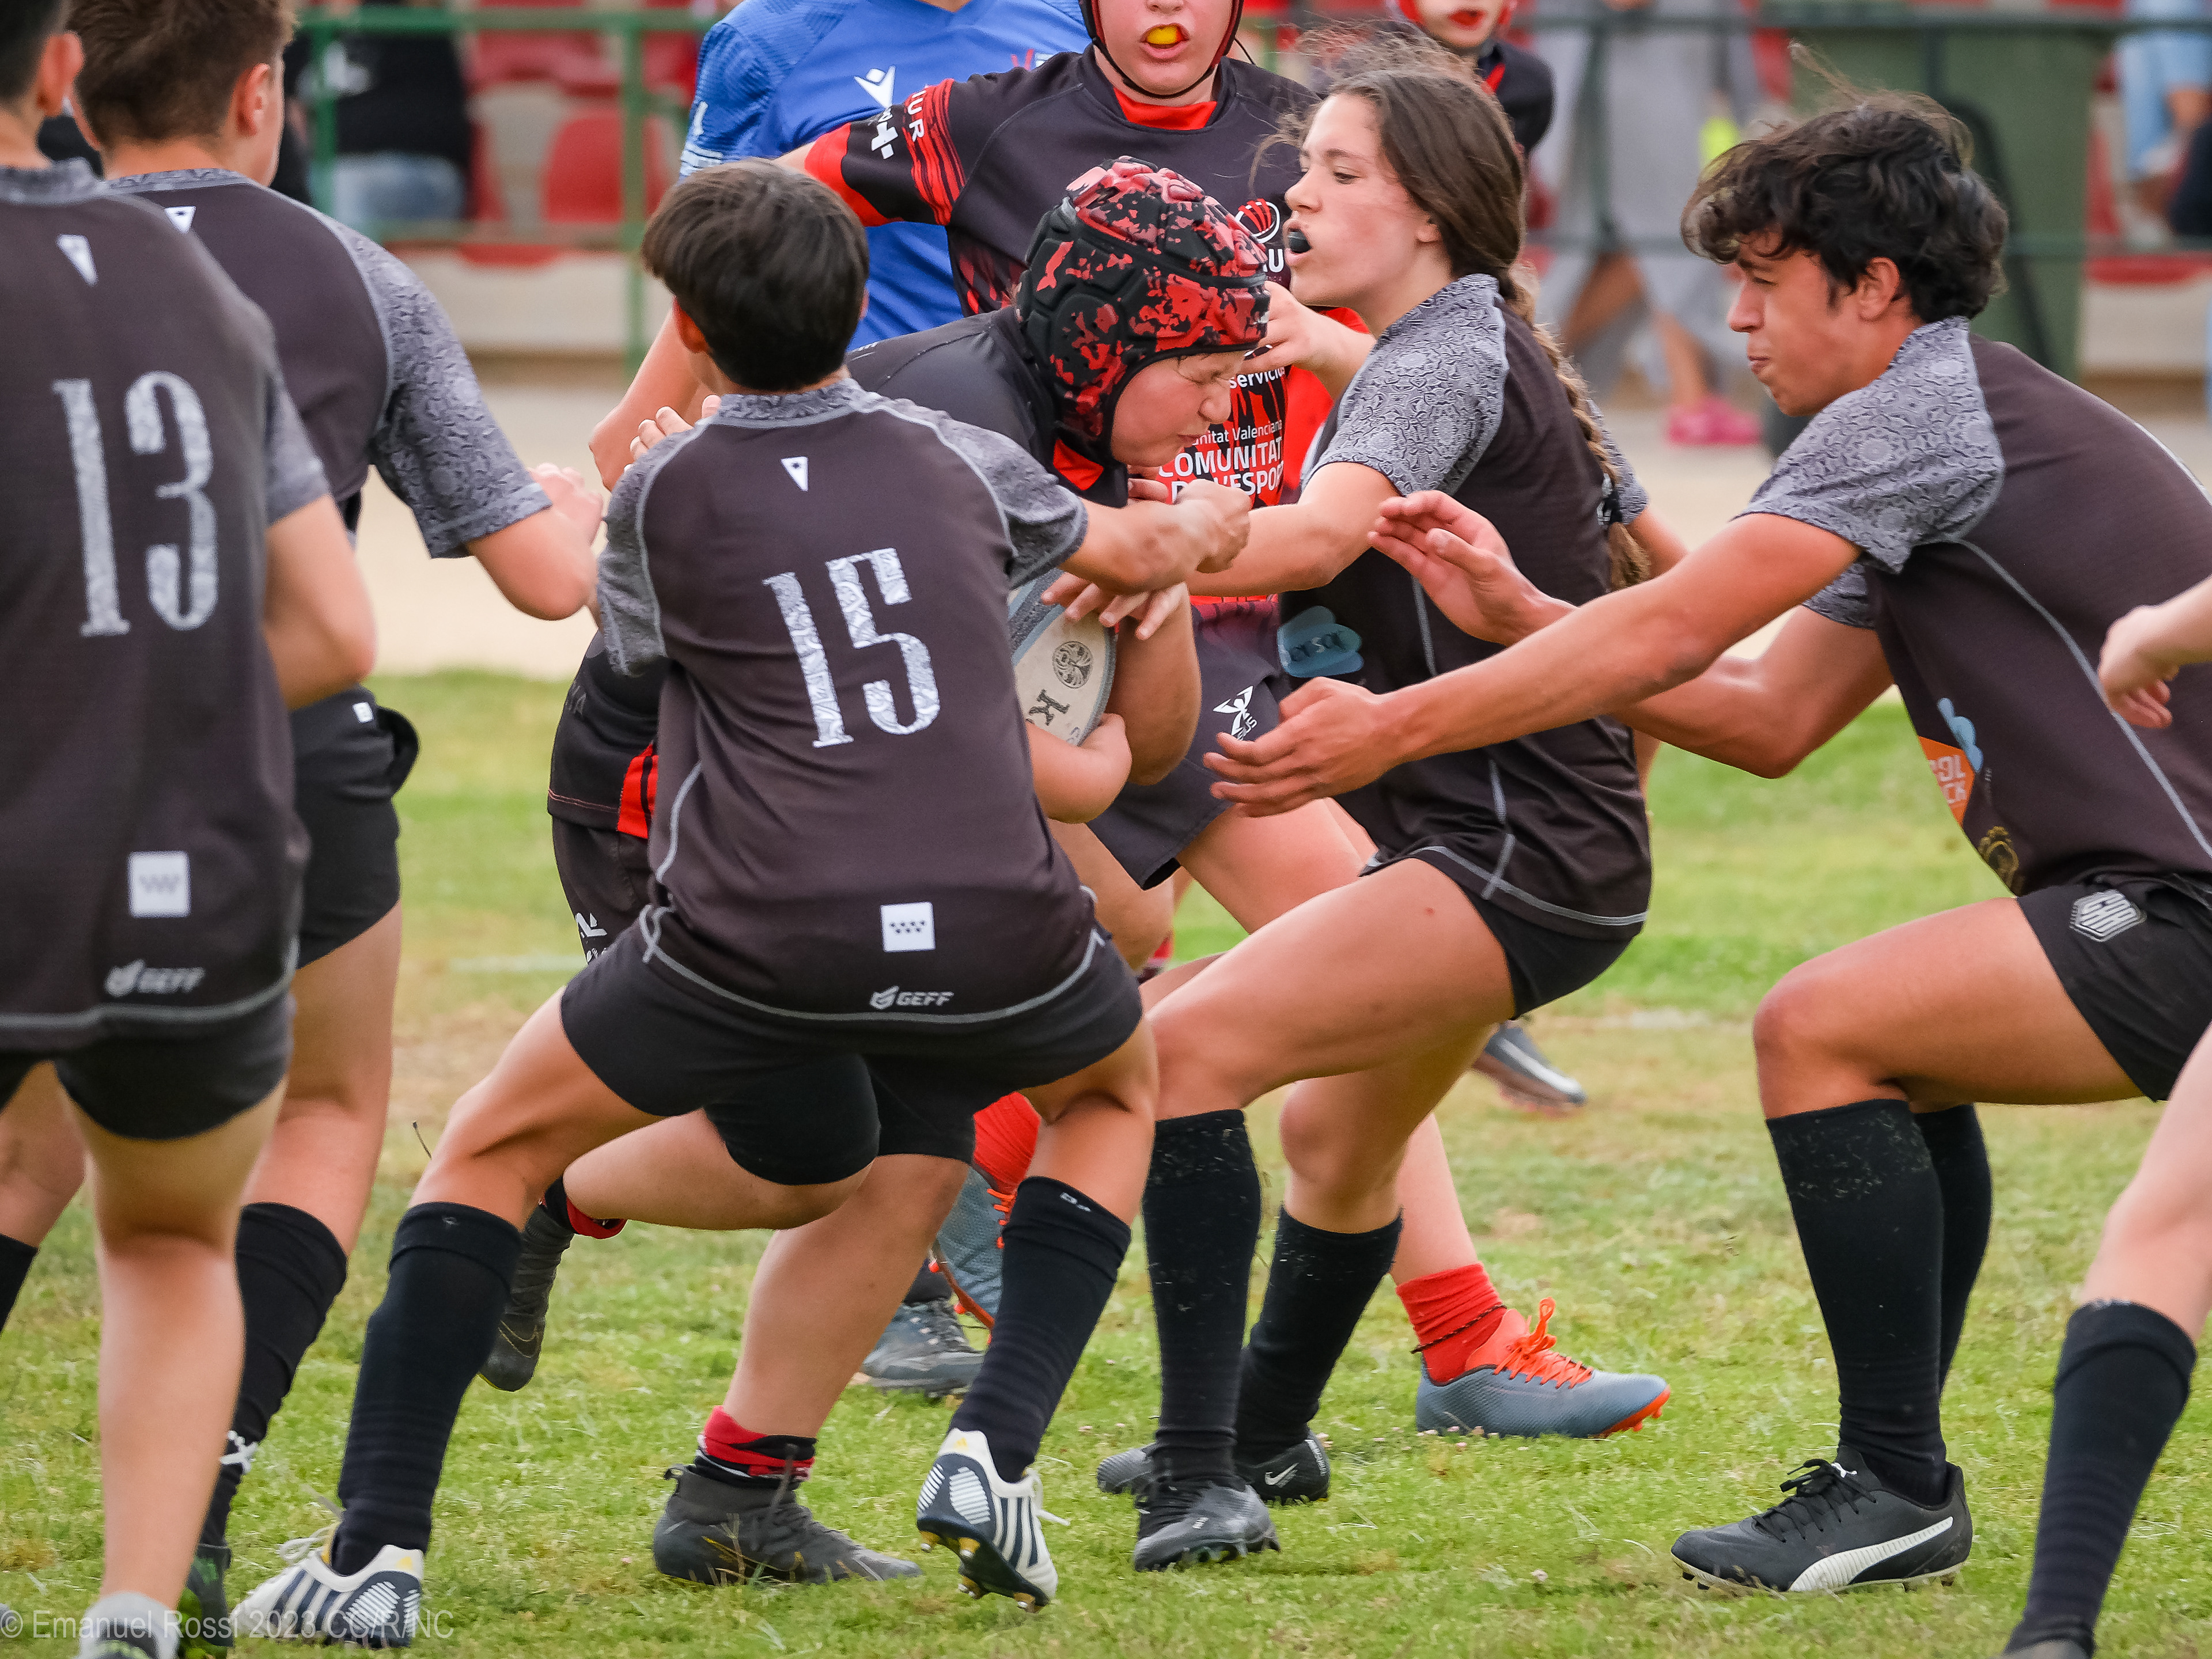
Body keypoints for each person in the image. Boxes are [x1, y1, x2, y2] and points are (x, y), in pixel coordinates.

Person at [1218, 88, 2212, 1618]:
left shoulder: (1914, 416)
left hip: (2176, 905)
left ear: (1871, 287)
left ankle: (1894, 1483)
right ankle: (1896, 1481)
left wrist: (1394, 725)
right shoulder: (1942, 425)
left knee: (1819, 1027)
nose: (1734, 316)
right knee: (1881, 1046)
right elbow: (1765, 718)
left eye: (1761, 278)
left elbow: (1675, 633)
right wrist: (1527, 617)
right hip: (2144, 901)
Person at [233, 161, 1237, 1637]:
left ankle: (375, 1553)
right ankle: (994, 1448)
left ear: (690, 331)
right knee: (1097, 1091)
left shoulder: (667, 491)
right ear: (858, 304)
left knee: (494, 1146)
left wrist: (604, 504)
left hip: (766, 921)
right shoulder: (963, 455)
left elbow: (645, 636)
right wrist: (1197, 531)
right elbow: (1123, 563)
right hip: (992, 910)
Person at [0, 0, 605, 1643]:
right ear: (265, 91)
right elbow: (535, 582)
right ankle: (183, 1521)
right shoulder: (339, 275)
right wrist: (578, 506)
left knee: (31, 1143)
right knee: (320, 1118)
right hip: (274, 770)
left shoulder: (58, 255)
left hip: (43, 768)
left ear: (72, 80)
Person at [1084, 62, 1677, 1573]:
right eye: (1308, 168)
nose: (1298, 192)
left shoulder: (1436, 358)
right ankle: (1265, 1435)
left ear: (1427, 211)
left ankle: (1202, 1471)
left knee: (1177, 1062)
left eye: (1341, 171)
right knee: (1339, 1142)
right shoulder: (1454, 340)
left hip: (1514, 858)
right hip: (1520, 849)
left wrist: (1110, 545)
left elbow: (1318, 539)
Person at [0, 5, 376, 1654]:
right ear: (53, 71)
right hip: (202, 859)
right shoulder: (205, 288)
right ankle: (138, 1609)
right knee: (167, 1240)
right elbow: (337, 629)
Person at [676, 0, 1090, 347]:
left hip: (1053, 406)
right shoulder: (764, 40)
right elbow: (701, 274)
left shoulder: (1088, 19)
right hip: (852, 407)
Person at [1534, 0, 1763, 445]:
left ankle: (1536, 370)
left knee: (1644, 245)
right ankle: (1687, 399)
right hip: (1626, 88)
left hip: (1639, 79)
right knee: (1665, 237)